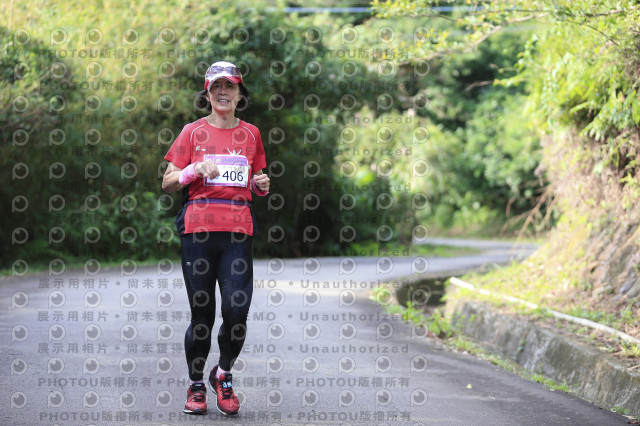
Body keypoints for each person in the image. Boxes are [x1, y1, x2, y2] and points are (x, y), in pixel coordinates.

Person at [161, 61, 270, 416]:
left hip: (238, 232)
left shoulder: (251, 134)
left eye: (229, 86)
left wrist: (261, 185)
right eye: (215, 87)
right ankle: (196, 384)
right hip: (198, 231)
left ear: (239, 94)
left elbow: (256, 180)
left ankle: (222, 374)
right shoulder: (192, 132)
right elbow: (168, 180)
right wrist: (193, 169)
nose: (223, 92)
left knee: (237, 311)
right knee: (202, 315)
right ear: (207, 94)